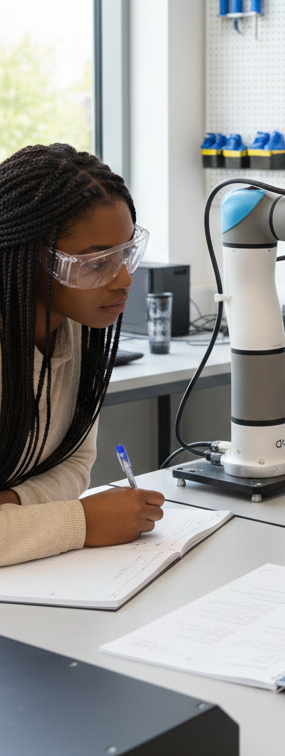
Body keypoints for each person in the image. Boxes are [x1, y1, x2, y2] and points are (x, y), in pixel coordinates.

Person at [0, 144, 165, 567]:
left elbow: (76, 461)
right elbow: (76, 500)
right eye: (96, 262)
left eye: (126, 253)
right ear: (27, 260)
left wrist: (15, 503)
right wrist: (82, 522)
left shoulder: (77, 330)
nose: (125, 279)